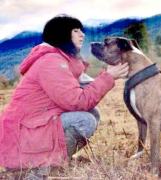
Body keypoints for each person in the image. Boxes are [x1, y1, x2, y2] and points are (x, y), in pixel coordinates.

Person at [0, 14, 129, 178]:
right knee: (85, 120)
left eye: (81, 30)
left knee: (93, 113)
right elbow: (77, 101)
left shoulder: (59, 59)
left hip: (32, 125)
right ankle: (38, 171)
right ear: (62, 34)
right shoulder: (51, 62)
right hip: (23, 133)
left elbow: (81, 89)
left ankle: (57, 159)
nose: (82, 34)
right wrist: (109, 77)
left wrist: (109, 77)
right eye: (76, 31)